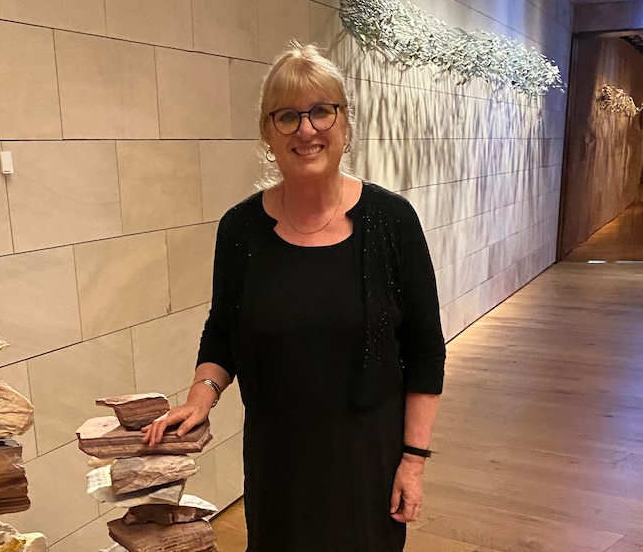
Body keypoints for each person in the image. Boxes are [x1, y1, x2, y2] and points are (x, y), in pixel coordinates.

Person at [142, 41, 445, 552]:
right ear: (268, 133)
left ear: (344, 123)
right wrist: (200, 397)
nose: (306, 130)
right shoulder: (241, 229)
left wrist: (412, 461)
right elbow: (223, 330)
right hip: (277, 459)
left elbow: (424, 350)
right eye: (287, 116)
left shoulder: (391, 222)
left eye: (321, 112)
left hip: (366, 459)